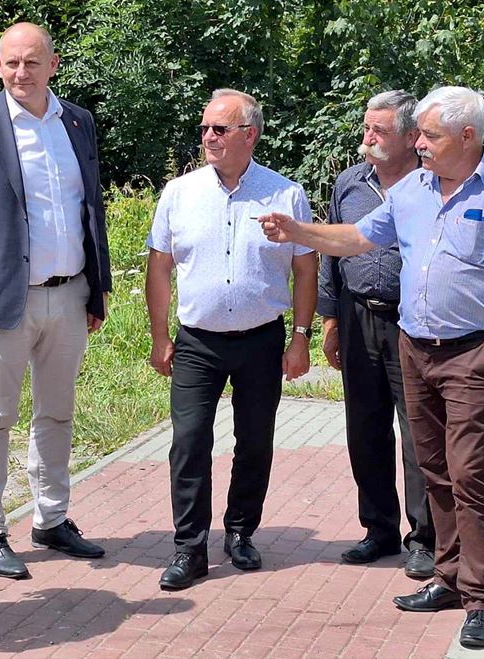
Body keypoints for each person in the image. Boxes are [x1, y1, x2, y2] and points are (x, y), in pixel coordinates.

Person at [261, 86, 484, 648]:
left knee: (468, 473)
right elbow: (356, 237)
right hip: (414, 347)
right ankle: (448, 576)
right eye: (417, 134)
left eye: (430, 136)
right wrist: (298, 232)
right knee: (433, 468)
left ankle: (482, 598)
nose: (419, 144)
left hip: (473, 352)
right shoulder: (413, 189)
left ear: (467, 136)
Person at [0, 22, 111, 580]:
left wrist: (98, 286)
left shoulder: (77, 121)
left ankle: (51, 519)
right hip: (2, 300)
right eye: (11, 63)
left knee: (57, 411)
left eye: (32, 63)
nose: (20, 73)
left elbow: (90, 207)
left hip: (71, 292)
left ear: (52, 65)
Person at [146, 89, 318, 590]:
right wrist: (159, 335)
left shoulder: (285, 195)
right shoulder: (179, 193)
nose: (208, 137)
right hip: (197, 342)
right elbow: (159, 267)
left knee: (255, 441)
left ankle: (241, 532)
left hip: (261, 340)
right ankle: (189, 547)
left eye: (219, 129)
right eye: (204, 128)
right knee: (189, 442)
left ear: (250, 134)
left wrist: (301, 338)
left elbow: (306, 270)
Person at [318, 90, 436, 578]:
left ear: (411, 137)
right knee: (365, 429)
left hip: (412, 323)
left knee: (418, 433)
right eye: (367, 127)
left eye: (379, 130)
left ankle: (425, 539)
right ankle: (379, 529)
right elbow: (331, 250)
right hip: (357, 316)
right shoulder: (350, 183)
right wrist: (329, 321)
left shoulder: (433, 184)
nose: (368, 137)